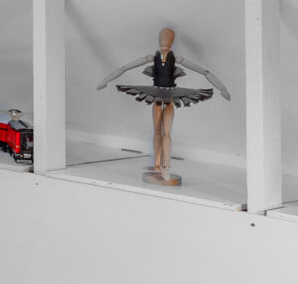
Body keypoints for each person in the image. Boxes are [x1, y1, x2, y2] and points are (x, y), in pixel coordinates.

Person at [94, 27, 231, 186]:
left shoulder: (176, 58)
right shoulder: (152, 57)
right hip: (156, 94)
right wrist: (105, 80)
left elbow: (204, 72)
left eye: (168, 38)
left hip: (170, 95)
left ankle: (166, 167)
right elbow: (125, 67)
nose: (164, 41)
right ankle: (157, 165)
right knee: (157, 132)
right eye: (163, 38)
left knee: (166, 133)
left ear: (172, 41)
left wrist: (222, 88)